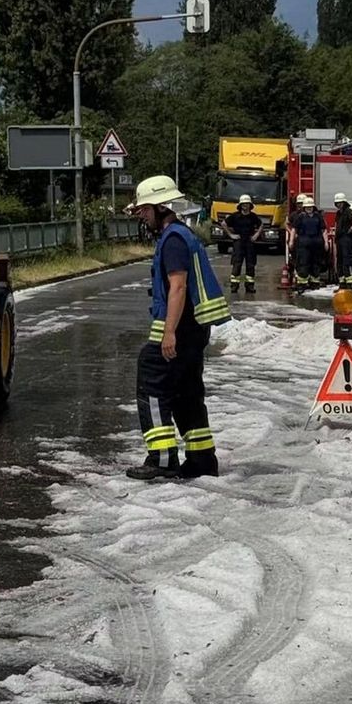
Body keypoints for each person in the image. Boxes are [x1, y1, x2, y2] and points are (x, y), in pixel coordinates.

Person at [125, 175, 230, 482]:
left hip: (180, 328)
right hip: (194, 328)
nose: (143, 216)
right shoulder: (183, 235)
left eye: (145, 210)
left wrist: (169, 333)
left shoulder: (172, 239)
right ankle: (201, 460)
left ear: (161, 207)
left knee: (152, 383)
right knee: (187, 393)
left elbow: (178, 287)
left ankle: (161, 458)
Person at [223, 193, 263, 293]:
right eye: (243, 204)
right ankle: (234, 286)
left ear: (250, 205)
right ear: (240, 205)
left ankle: (249, 286)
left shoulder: (253, 216)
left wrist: (256, 235)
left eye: (247, 204)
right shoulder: (235, 216)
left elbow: (261, 224)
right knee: (237, 264)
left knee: (250, 265)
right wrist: (231, 235)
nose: (245, 206)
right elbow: (223, 223)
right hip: (239, 242)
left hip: (249, 242)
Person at [291, 196, 328, 291]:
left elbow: (323, 230)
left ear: (313, 207)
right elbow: (294, 229)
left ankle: (314, 283)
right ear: (304, 208)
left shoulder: (318, 217)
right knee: (303, 263)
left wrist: (326, 242)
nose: (309, 208)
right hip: (303, 244)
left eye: (310, 207)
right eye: (307, 207)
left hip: (316, 244)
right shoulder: (300, 217)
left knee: (316, 263)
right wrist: (291, 241)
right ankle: (302, 284)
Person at [333, 192, 352, 289]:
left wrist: (351, 229)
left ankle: (350, 284)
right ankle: (342, 283)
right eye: (337, 203)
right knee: (340, 261)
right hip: (339, 239)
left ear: (344, 202)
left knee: (347, 261)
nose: (338, 204)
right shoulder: (339, 213)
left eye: (340, 202)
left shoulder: (348, 211)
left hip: (346, 239)